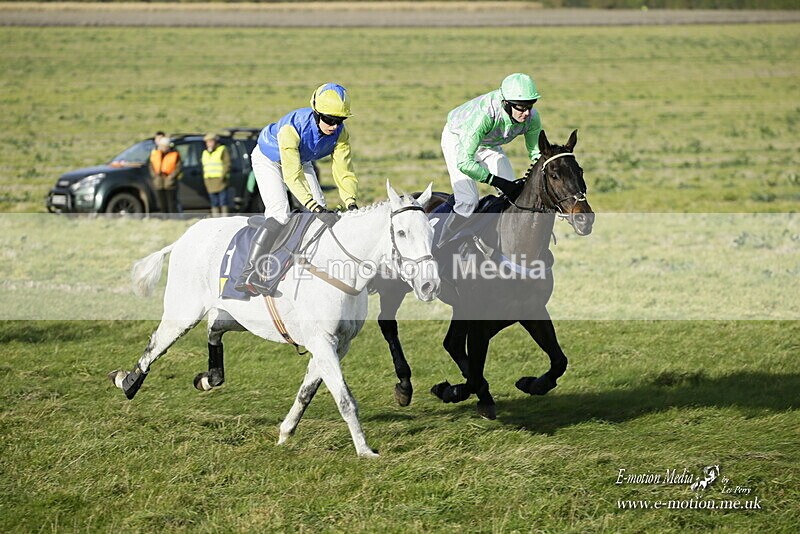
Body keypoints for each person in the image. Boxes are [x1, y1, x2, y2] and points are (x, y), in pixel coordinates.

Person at [235, 83, 360, 296]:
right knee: (280, 213)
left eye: (340, 121)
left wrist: (351, 202)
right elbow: (292, 176)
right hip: (269, 159)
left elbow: (343, 171)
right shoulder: (292, 127)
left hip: (301, 159)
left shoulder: (340, 134)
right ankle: (249, 273)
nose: (334, 126)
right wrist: (313, 206)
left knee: (322, 212)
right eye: (329, 120)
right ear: (316, 113)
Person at [437, 72, 543, 244]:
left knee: (515, 197)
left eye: (530, 106)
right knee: (468, 201)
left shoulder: (532, 118)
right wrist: (495, 181)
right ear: (506, 104)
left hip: (488, 144)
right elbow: (465, 162)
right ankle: (437, 240)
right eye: (521, 108)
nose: (527, 113)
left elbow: (536, 153)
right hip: (458, 139)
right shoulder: (484, 115)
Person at [149, 136, 182, 217]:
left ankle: (173, 219)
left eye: (164, 146)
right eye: (161, 146)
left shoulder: (175, 154)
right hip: (159, 182)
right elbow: (151, 166)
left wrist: (171, 177)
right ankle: (165, 218)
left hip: (170, 183)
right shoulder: (155, 154)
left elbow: (178, 167)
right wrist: (155, 176)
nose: (162, 148)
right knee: (162, 203)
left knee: (171, 202)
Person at [201, 133, 231, 217]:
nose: (209, 144)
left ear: (215, 141)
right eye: (207, 142)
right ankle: (216, 218)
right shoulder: (205, 152)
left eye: (210, 141)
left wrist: (222, 176)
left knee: (223, 201)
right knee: (214, 202)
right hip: (209, 181)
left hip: (220, 180)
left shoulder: (222, 150)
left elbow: (227, 164)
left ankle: (224, 218)